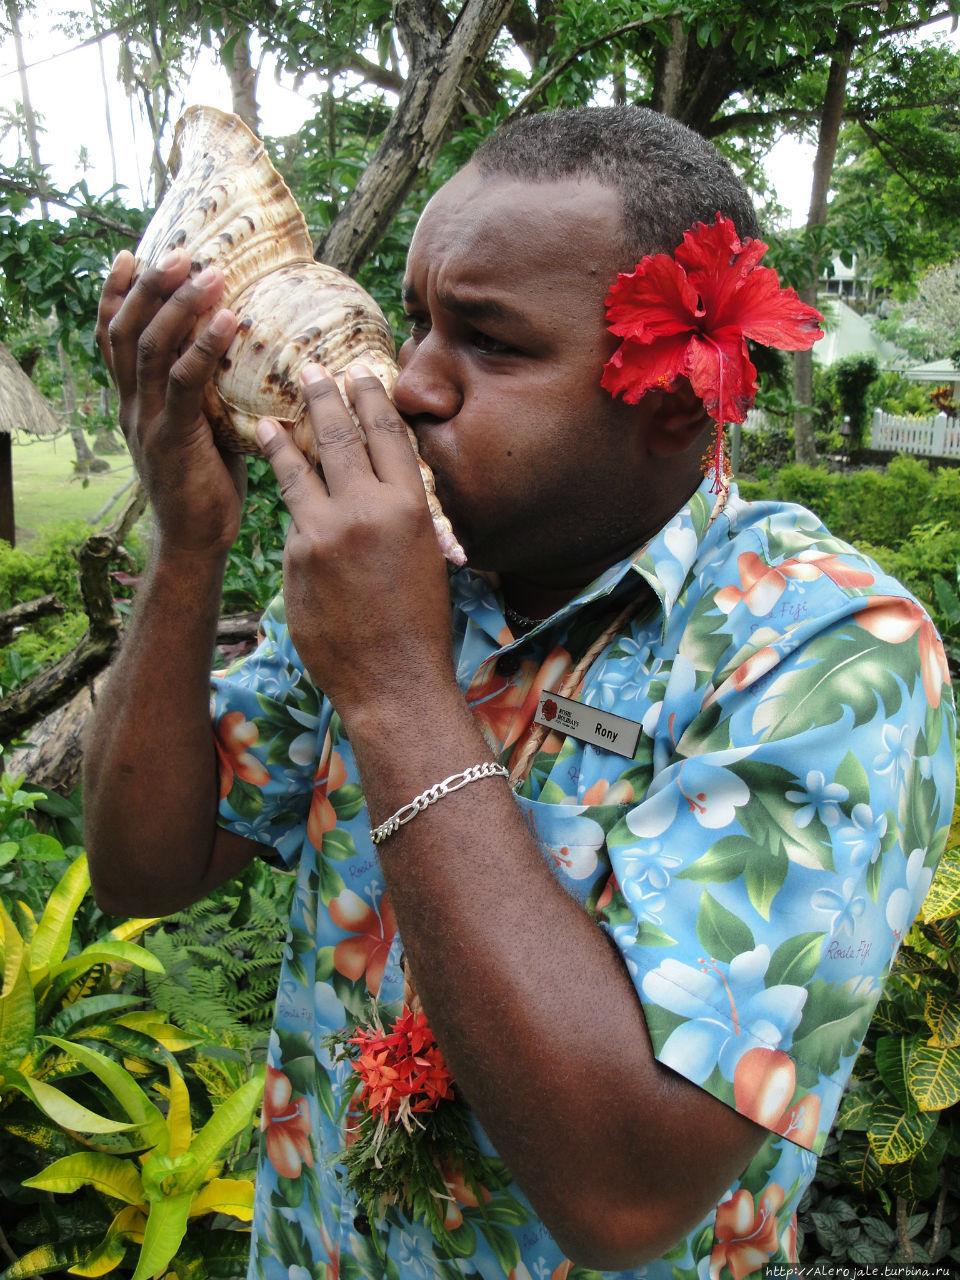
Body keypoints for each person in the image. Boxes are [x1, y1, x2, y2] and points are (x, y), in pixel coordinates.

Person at [86, 105, 956, 1280]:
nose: (410, 383)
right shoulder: (415, 570)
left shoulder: (827, 649)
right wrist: (191, 538)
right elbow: (146, 865)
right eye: (419, 322)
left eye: (488, 342)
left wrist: (396, 685)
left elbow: (625, 1189)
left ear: (675, 396)